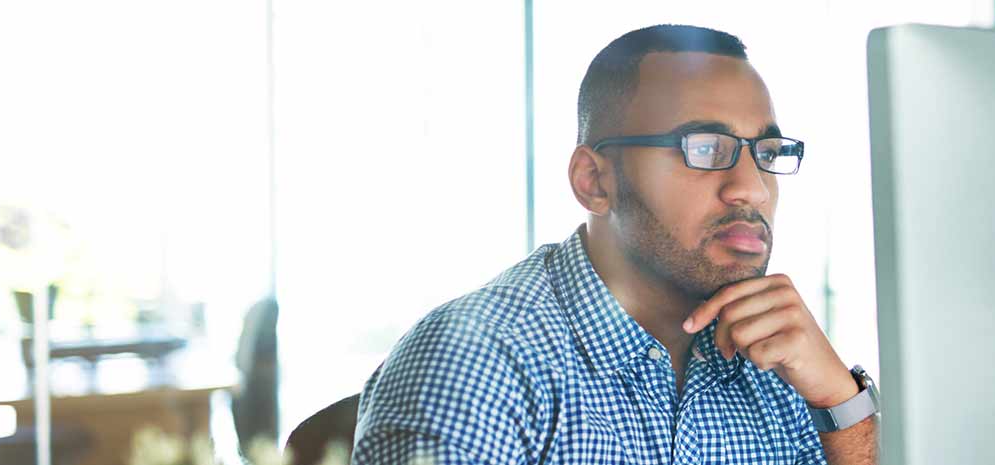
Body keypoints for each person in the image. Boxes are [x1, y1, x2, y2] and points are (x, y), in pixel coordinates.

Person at [351, 24, 879, 464]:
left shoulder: (783, 366)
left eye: (766, 151)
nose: (752, 187)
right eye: (705, 148)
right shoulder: (475, 361)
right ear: (594, 181)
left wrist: (840, 403)